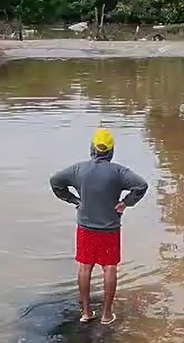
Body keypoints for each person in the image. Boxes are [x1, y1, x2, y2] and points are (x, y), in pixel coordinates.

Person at [49, 128, 148, 324]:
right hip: (109, 229)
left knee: (85, 268)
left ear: (92, 149)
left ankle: (86, 313)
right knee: (109, 269)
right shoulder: (119, 172)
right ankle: (106, 315)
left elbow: (55, 181)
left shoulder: (78, 170)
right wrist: (126, 202)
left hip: (86, 228)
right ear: (111, 151)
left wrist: (74, 200)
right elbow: (141, 185)